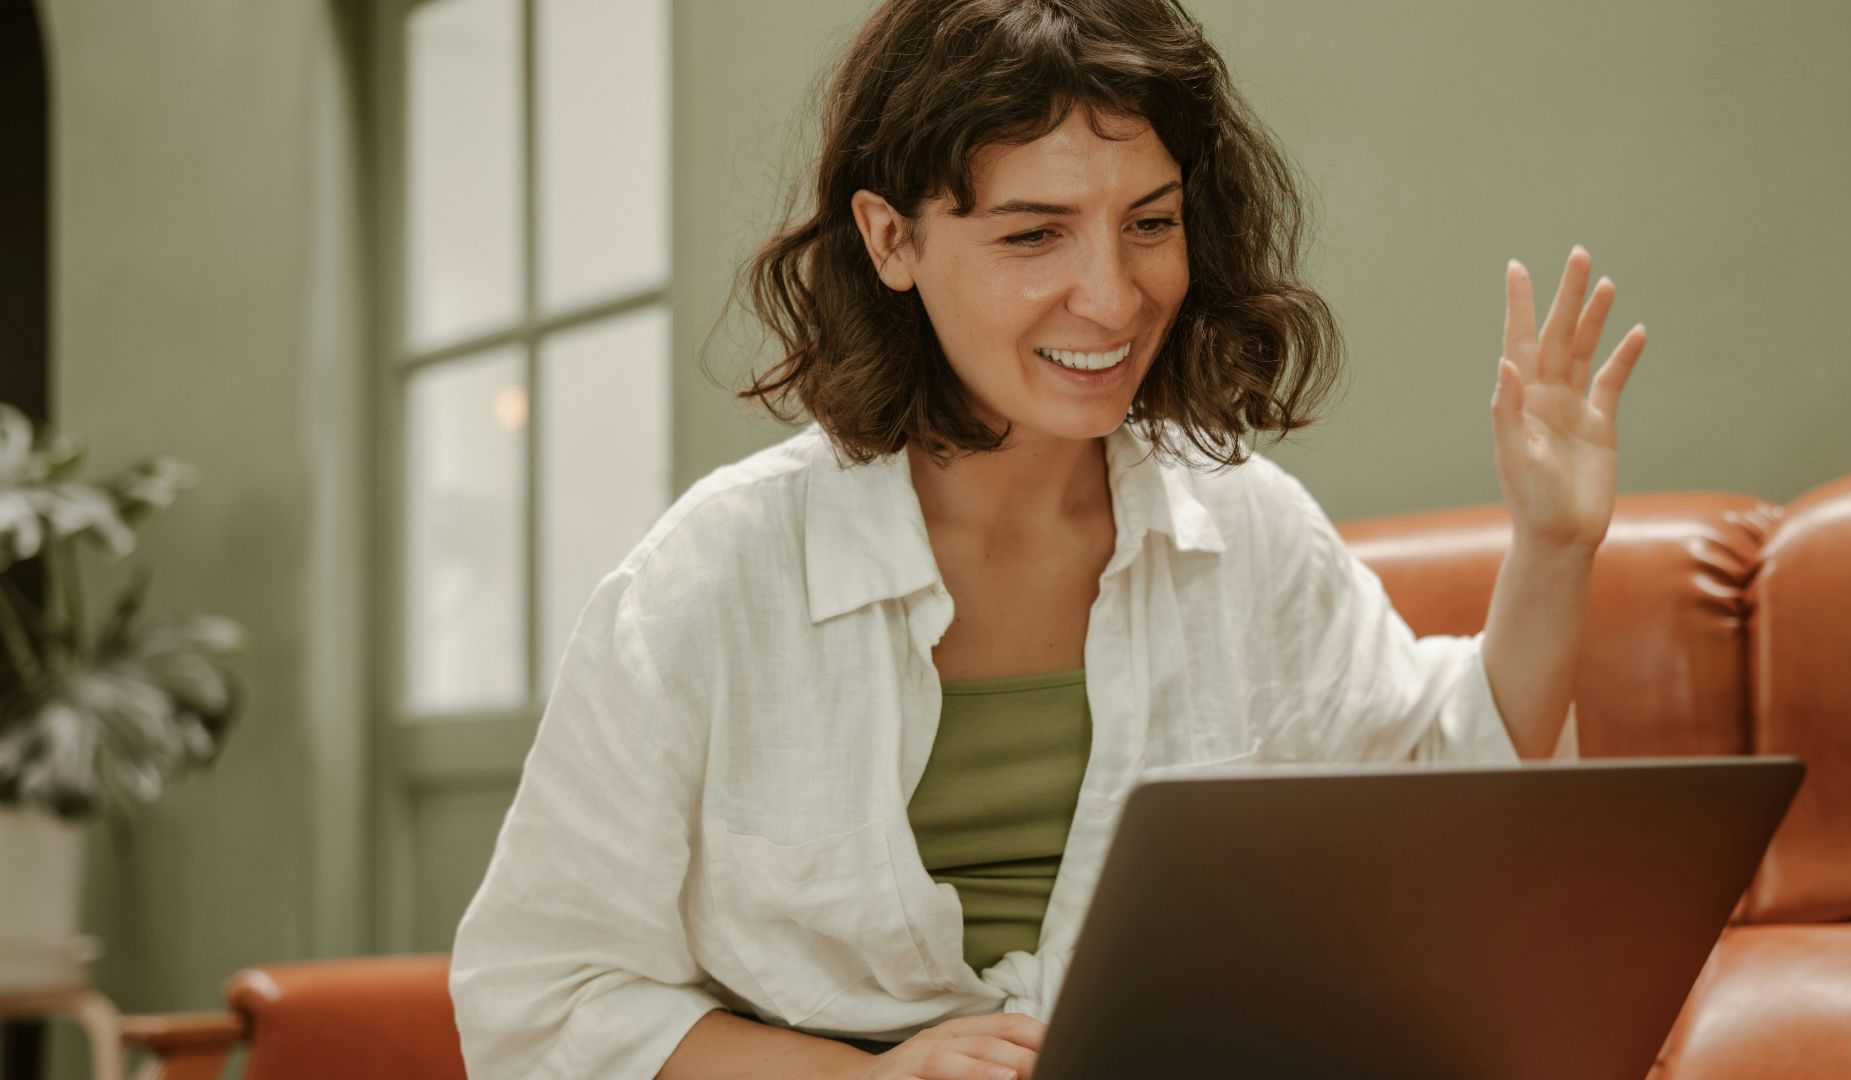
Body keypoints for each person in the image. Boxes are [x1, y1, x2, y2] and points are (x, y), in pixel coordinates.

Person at [449, 1, 1646, 1077]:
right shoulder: (705, 584)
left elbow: (1449, 787)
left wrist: (1551, 545)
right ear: (890, 240)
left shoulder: (1247, 530)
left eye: (1150, 223)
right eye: (1034, 236)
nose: (1115, 298)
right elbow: (543, 993)